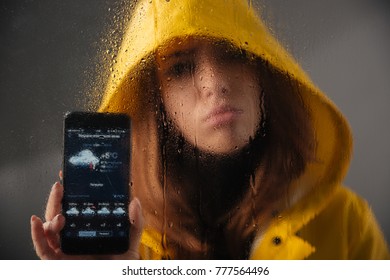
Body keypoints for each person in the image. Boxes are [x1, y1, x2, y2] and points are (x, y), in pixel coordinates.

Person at [31, 0, 389, 259]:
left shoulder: (345, 223)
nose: (214, 83)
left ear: (264, 71)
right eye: (180, 68)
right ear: (155, 103)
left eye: (234, 52)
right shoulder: (120, 244)